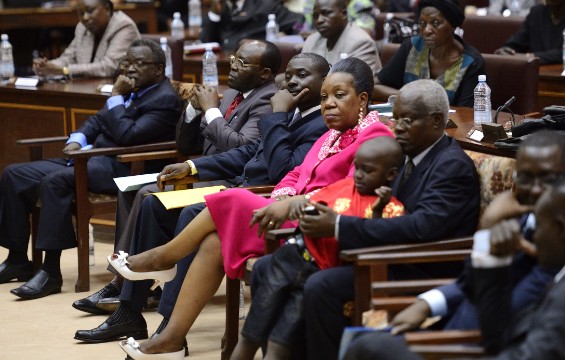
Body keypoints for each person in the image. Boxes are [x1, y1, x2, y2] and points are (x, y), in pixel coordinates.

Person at [111, 57, 394, 359]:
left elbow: (354, 190)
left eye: (339, 96)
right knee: (213, 242)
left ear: (362, 98)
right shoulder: (332, 134)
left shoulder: (375, 135)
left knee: (233, 198)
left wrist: (293, 204)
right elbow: (296, 174)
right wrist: (284, 196)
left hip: (316, 229)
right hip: (286, 216)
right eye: (325, 97)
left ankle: (165, 257)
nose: (328, 104)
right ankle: (172, 339)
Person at [72, 53, 331, 343]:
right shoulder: (292, 111)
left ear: (324, 83)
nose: (293, 82)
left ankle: (171, 329)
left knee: (192, 212)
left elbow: (281, 169)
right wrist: (193, 167)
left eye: (303, 75)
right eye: (291, 74)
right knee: (152, 204)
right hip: (237, 187)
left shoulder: (320, 122)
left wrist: (277, 116)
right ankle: (129, 313)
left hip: (258, 197)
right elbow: (247, 153)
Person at [341, 131, 565, 359]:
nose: (536, 189)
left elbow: (507, 312)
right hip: (451, 329)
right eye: (526, 177)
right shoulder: (522, 217)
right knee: (361, 342)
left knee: (367, 347)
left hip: (470, 346)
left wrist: (489, 227)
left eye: (546, 178)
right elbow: (470, 280)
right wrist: (427, 304)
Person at [295, 78, 481, 360]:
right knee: (283, 268)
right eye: (396, 119)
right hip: (384, 255)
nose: (399, 127)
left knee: (321, 286)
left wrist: (338, 226)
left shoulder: (452, 167)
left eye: (408, 120)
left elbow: (423, 227)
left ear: (436, 121)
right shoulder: (403, 155)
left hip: (421, 269)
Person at [347, 176, 565, 359]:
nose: (533, 235)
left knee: (370, 349)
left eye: (538, 227)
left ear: (560, 229)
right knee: (370, 347)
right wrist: (494, 260)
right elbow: (499, 336)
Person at [0, 39, 182, 300]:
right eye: (127, 62)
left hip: (124, 168)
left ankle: (50, 271)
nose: (130, 69)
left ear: (159, 69)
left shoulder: (164, 99)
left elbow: (128, 135)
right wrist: (78, 139)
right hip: (90, 159)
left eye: (139, 64)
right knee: (14, 174)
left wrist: (116, 98)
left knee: (56, 181)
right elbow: (96, 121)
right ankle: (17, 258)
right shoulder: (133, 89)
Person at [233, 136, 406, 360]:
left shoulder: (392, 209)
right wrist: (301, 210)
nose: (359, 176)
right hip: (290, 259)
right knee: (250, 338)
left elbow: (375, 237)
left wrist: (378, 209)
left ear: (390, 174)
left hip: (316, 273)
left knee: (279, 344)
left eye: (368, 171)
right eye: (358, 168)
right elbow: (311, 206)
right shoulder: (344, 186)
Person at [374, 0, 485, 106]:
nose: (427, 30)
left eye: (435, 23)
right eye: (422, 23)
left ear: (453, 25)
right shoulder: (412, 46)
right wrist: (409, 97)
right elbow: (375, 86)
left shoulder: (471, 62)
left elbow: (467, 113)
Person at [32, 0, 140, 78]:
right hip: (88, 89)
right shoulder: (82, 28)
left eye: (90, 11)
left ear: (107, 9)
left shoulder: (123, 26)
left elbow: (109, 68)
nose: (85, 17)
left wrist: (65, 70)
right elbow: (67, 58)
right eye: (81, 13)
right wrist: (46, 66)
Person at [494, 0, 565, 65]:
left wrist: (532, 56)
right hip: (539, 74)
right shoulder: (537, 12)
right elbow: (516, 42)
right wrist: (506, 50)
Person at [302, 0, 382, 74]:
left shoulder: (362, 43)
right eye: (315, 16)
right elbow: (301, 75)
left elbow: (357, 85)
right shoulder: (311, 40)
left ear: (344, 14)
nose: (319, 20)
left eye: (326, 13)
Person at [201, 0, 304, 50]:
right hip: (223, 63)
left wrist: (299, 36)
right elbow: (206, 42)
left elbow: (298, 22)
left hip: (253, 65)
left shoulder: (265, 5)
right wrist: (214, 14)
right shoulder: (220, 6)